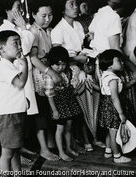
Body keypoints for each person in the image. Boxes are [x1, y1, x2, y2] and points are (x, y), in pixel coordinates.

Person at [51, 0, 105, 152]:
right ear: (62, 9)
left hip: (83, 63)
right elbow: (58, 57)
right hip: (69, 67)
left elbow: (81, 46)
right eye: (71, 5)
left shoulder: (78, 25)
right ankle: (87, 139)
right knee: (81, 103)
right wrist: (76, 59)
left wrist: (87, 43)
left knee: (93, 99)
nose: (75, 8)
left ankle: (92, 136)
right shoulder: (58, 29)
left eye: (76, 4)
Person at [28, 0, 61, 161]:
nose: (48, 18)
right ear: (33, 15)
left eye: (50, 15)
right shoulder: (34, 31)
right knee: (41, 111)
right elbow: (33, 58)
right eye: (43, 15)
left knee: (49, 109)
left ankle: (50, 142)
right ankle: (43, 149)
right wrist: (50, 72)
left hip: (48, 70)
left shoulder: (47, 30)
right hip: (40, 74)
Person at [0, 30, 28, 172]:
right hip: (8, 116)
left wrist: (23, 101)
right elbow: (20, 83)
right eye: (15, 43)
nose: (19, 47)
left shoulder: (10, 65)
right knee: (7, 153)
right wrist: (25, 65)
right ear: (1, 49)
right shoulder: (3, 66)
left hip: (14, 112)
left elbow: (12, 90)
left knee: (15, 150)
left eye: (20, 43)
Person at [45, 46, 82, 161]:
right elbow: (49, 95)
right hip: (59, 105)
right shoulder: (50, 77)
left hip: (68, 103)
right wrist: (55, 110)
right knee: (60, 129)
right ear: (51, 63)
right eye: (58, 64)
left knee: (69, 127)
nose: (61, 67)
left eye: (63, 64)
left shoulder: (65, 73)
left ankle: (69, 147)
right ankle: (61, 152)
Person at [98, 49, 136, 163]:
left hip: (106, 106)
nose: (122, 63)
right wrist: (121, 113)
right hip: (113, 108)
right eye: (119, 61)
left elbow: (121, 88)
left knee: (110, 131)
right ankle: (117, 156)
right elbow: (115, 97)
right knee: (114, 133)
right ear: (109, 65)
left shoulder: (106, 75)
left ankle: (108, 151)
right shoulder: (113, 78)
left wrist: (133, 81)